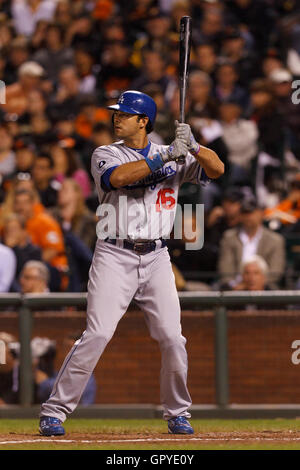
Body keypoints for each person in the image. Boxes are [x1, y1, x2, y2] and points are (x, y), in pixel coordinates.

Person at [38, 89, 224, 436]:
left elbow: (218, 169)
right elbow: (118, 178)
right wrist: (165, 156)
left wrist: (195, 148)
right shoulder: (105, 152)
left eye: (124, 114)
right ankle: (55, 411)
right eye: (117, 113)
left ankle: (177, 412)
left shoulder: (172, 153)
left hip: (156, 256)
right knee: (97, 334)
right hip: (114, 253)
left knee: (172, 337)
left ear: (144, 121)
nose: (116, 118)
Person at [218, 197, 286, 290]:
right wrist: (234, 285)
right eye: (245, 213)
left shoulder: (275, 239)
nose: (248, 217)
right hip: (235, 288)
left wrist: (254, 284)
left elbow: (276, 271)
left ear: (261, 213)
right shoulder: (229, 237)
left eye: (252, 212)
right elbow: (225, 269)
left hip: (265, 288)